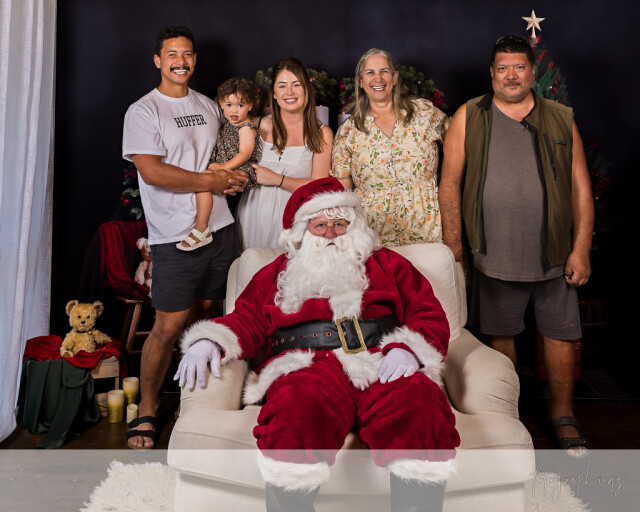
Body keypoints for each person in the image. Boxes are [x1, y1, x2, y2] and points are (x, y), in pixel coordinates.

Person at [175, 177, 460, 512]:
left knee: (419, 402)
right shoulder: (275, 273)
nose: (329, 234)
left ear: (354, 227)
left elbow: (427, 312)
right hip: (306, 365)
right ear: (302, 230)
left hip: (380, 360)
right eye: (320, 225)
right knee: (294, 410)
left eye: (339, 224)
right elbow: (246, 319)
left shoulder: (388, 264)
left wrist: (407, 349)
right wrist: (211, 340)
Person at [439, 35, 594, 457]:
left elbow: (581, 188)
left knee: (560, 334)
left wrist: (581, 248)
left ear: (531, 72)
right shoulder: (470, 115)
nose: (511, 75)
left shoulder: (560, 118)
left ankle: (563, 416)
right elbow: (450, 182)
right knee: (500, 335)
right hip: (493, 255)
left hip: (554, 253)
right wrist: (454, 245)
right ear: (492, 74)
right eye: (503, 68)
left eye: (519, 67)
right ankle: (507, 416)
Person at [121, 25, 248, 449]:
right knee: (168, 325)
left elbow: (220, 159)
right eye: (172, 54)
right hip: (175, 234)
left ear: (195, 59)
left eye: (187, 54)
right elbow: (153, 172)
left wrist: (232, 179)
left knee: (207, 315)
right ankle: (149, 407)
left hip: (221, 227)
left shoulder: (208, 106)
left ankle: (193, 403)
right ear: (158, 60)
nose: (181, 61)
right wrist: (211, 183)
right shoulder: (144, 111)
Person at [331, 48, 449, 247]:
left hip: (427, 230)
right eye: (370, 72)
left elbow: (459, 149)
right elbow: (342, 192)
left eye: (384, 71)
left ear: (394, 78)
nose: (378, 78)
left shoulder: (424, 113)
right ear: (360, 81)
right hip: (372, 236)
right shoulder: (348, 131)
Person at [235, 58, 333, 250]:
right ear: (274, 93)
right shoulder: (253, 125)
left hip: (295, 223)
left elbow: (319, 187)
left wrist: (277, 179)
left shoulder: (321, 133)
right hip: (253, 218)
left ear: (307, 89)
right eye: (282, 86)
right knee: (251, 265)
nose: (289, 92)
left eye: (296, 84)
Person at [176, 77, 262, 251]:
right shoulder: (227, 123)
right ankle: (201, 224)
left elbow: (244, 154)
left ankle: (202, 228)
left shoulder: (246, 128)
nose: (234, 110)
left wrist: (224, 166)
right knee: (203, 183)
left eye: (240, 105)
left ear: (250, 106)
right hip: (227, 165)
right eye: (229, 105)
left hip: (239, 168)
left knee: (204, 182)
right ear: (221, 104)